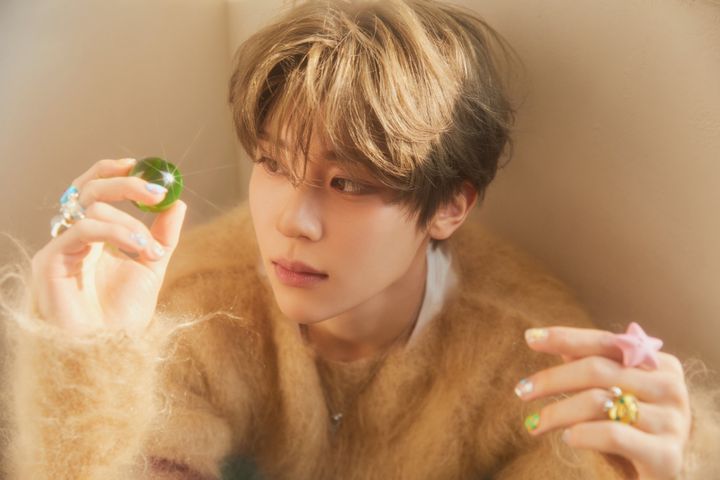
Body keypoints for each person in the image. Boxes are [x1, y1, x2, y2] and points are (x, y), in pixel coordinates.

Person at [1, 0, 719, 478]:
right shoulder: (197, 302)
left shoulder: (524, 347)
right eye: (273, 164)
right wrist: (85, 376)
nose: (294, 221)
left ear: (450, 206)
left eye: (347, 183)